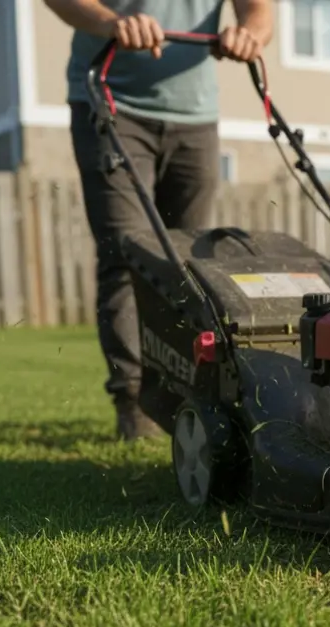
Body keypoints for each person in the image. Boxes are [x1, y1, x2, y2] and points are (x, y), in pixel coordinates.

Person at [44, 0, 273, 441]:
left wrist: (250, 34)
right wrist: (113, 23)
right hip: (112, 101)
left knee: (187, 266)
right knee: (127, 256)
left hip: (195, 116)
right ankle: (134, 403)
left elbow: (258, 11)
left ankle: (189, 396)